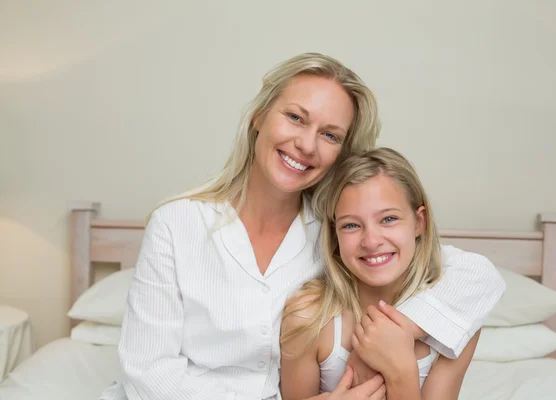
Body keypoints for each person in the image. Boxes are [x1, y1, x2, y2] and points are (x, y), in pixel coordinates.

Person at [99, 52, 505, 400]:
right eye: (295, 117)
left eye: (329, 135)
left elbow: (475, 276)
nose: (307, 145)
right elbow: (148, 374)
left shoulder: (337, 232)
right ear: (259, 115)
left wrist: (394, 335)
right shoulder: (177, 223)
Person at [280, 147, 481, 400]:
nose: (371, 241)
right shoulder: (308, 318)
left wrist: (400, 374)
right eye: (351, 225)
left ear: (419, 223)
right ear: (335, 234)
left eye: (388, 219)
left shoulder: (456, 319)